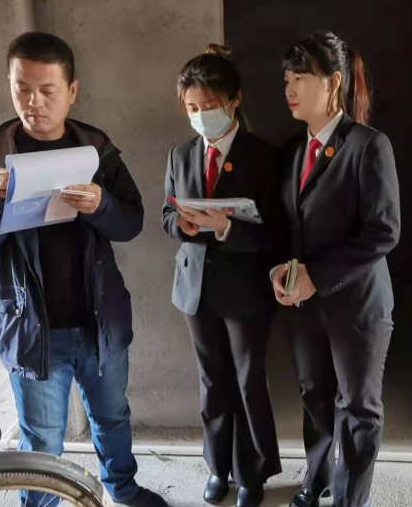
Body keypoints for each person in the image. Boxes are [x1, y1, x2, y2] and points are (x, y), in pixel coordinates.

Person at [0, 31, 167, 507]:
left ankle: (123, 489)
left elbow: (131, 223)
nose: (34, 102)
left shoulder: (97, 152)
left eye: (47, 90)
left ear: (72, 91)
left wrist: (101, 204)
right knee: (42, 440)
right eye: (22, 88)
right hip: (31, 328)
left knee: (113, 417)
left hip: (99, 323)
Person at [271, 31, 401, 507]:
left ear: (334, 82)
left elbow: (383, 231)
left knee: (359, 408)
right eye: (287, 78)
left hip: (357, 303)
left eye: (301, 78)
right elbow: (291, 225)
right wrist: (281, 269)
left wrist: (317, 276)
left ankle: (349, 499)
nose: (290, 88)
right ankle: (318, 476)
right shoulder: (293, 150)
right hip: (306, 305)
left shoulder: (368, 145)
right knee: (314, 394)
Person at [161, 44, 283, 507]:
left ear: (234, 100)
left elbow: (279, 230)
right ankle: (217, 467)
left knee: (248, 380)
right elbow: (166, 215)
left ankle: (252, 472)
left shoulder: (265, 157)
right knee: (211, 380)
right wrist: (184, 225)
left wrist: (227, 228)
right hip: (195, 285)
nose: (200, 116)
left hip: (246, 286)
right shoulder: (180, 154)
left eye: (209, 106)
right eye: (192, 108)